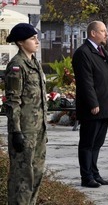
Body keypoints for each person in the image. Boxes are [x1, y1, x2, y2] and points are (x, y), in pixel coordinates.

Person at [72, 21, 108, 188]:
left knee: (97, 143)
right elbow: (86, 81)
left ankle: (95, 173)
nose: (106, 34)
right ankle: (87, 177)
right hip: (92, 107)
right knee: (87, 143)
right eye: (103, 31)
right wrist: (93, 103)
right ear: (93, 33)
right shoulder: (83, 53)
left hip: (105, 105)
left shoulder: (101, 51)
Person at [4, 23, 47, 204]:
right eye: (32, 38)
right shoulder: (17, 66)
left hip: (38, 129)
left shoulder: (34, 63)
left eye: (36, 37)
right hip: (24, 131)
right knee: (22, 178)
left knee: (37, 174)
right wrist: (16, 132)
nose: (37, 41)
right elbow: (13, 101)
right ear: (21, 42)